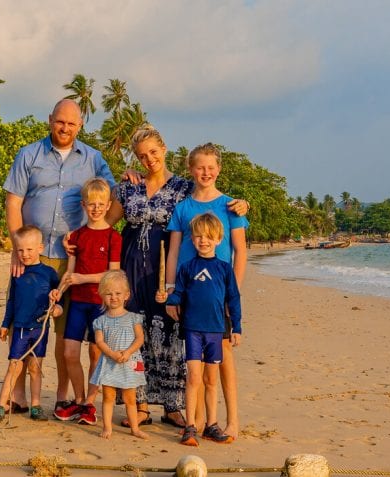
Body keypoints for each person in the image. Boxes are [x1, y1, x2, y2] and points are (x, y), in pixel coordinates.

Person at [103, 125, 248, 429]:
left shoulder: (183, 188)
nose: (149, 159)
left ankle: (172, 405)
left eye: (153, 152)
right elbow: (105, 222)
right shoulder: (128, 186)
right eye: (142, 156)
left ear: (165, 150)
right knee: (135, 332)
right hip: (132, 267)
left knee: (170, 335)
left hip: (169, 270)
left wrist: (244, 204)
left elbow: (212, 203)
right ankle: (139, 404)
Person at [3, 99, 115, 415]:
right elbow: (14, 203)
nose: (64, 128)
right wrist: (16, 248)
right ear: (50, 120)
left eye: (71, 124)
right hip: (32, 256)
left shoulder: (93, 159)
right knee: (24, 325)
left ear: (80, 126)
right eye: (60, 122)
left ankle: (62, 397)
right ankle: (19, 396)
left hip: (73, 260)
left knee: (67, 334)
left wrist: (97, 234)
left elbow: (114, 197)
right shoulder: (29, 154)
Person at [163, 142, 248, 439]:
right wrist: (171, 290)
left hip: (219, 293)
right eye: (200, 167)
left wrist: (231, 295)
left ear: (219, 170)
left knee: (223, 354)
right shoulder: (182, 208)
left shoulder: (230, 206)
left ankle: (232, 420)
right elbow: (173, 252)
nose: (206, 172)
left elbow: (240, 251)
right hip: (189, 292)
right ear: (191, 169)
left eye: (211, 167)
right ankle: (197, 420)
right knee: (194, 359)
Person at [159, 213, 242, 446]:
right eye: (198, 236)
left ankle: (211, 425)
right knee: (194, 377)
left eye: (208, 237)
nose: (203, 240)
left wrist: (236, 327)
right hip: (192, 331)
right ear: (191, 239)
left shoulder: (224, 269)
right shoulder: (187, 268)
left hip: (215, 332)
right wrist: (169, 300)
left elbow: (234, 299)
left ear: (218, 239)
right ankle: (191, 426)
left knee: (211, 380)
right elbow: (178, 293)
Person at [50, 178, 121, 425]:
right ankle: (79, 401)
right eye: (91, 204)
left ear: (108, 204)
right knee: (70, 353)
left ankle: (90, 403)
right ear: (83, 205)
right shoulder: (76, 236)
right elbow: (70, 273)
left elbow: (113, 274)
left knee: (95, 355)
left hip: (100, 304)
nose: (96, 208)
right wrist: (59, 290)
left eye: (101, 204)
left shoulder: (113, 237)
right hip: (77, 302)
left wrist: (83, 278)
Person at [0, 225, 62, 423]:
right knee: (14, 366)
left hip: (40, 328)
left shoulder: (49, 273)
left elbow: (58, 298)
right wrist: (5, 325)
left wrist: (57, 307)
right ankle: (1, 404)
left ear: (40, 248)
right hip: (20, 327)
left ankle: (36, 405)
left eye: (29, 249)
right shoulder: (17, 273)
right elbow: (11, 301)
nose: (25, 254)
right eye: (20, 250)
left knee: (35, 368)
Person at [89, 270, 148, 440]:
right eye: (108, 294)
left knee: (130, 398)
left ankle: (135, 428)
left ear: (126, 295)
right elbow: (99, 342)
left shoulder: (133, 318)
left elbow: (140, 338)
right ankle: (107, 427)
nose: (113, 297)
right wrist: (113, 354)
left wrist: (128, 352)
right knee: (108, 396)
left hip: (129, 362)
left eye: (117, 293)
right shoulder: (100, 321)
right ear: (102, 296)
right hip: (110, 362)